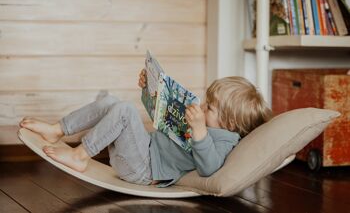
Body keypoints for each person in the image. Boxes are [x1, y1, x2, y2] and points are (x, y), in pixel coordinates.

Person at [19, 70, 271, 187]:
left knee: (125, 111)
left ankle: (80, 155)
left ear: (230, 123)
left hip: (144, 169)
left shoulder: (225, 141)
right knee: (111, 102)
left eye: (210, 108)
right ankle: (58, 129)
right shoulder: (209, 122)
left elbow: (210, 168)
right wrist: (148, 91)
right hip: (142, 149)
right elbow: (161, 119)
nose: (202, 108)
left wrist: (200, 132)